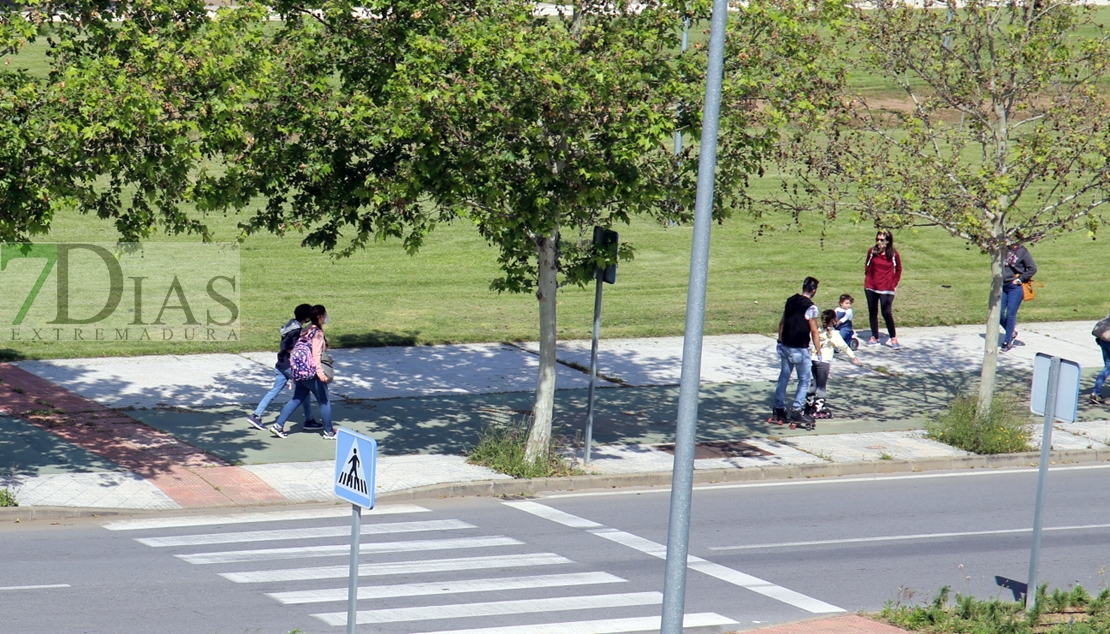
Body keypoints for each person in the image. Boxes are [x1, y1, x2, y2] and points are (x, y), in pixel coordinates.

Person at [246, 304, 318, 430]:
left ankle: (256, 415)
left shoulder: (291, 326)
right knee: (304, 392)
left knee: (274, 391)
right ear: (307, 317)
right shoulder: (296, 332)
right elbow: (294, 349)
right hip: (290, 367)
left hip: (281, 365)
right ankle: (308, 420)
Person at [271, 305, 336, 439]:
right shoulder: (317, 333)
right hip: (311, 372)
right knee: (324, 401)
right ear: (320, 317)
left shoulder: (306, 330)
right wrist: (320, 373)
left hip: (300, 372)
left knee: (296, 399)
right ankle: (329, 431)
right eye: (325, 314)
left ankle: (278, 425)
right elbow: (316, 355)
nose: (326, 317)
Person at [772, 277, 822, 427]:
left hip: (786, 345)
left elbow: (782, 323)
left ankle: (778, 408)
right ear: (814, 291)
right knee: (804, 379)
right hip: (800, 348)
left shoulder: (790, 300)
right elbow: (814, 331)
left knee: (784, 377)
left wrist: (780, 341)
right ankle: (797, 410)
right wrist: (818, 350)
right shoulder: (811, 307)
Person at [807, 309, 862, 419]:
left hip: (813, 360)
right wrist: (853, 357)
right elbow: (843, 346)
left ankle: (809, 403)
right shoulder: (833, 334)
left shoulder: (817, 330)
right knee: (822, 385)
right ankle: (819, 406)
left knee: (815, 382)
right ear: (833, 320)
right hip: (824, 361)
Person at [864, 230, 903, 349]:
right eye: (877, 239)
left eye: (882, 240)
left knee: (886, 312)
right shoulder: (872, 251)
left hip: (886, 287)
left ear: (888, 241)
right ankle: (874, 336)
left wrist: (893, 283)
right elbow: (867, 265)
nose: (879, 242)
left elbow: (899, 270)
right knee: (872, 311)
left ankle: (893, 337)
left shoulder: (894, 254)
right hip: (871, 286)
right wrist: (869, 279)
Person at [999, 242, 1037, 353]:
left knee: (1010, 314)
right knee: (998, 313)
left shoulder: (1022, 252)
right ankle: (1011, 332)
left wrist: (1021, 279)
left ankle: (1008, 340)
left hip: (1015, 287)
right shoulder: (1003, 250)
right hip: (1002, 286)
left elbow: (1032, 268)